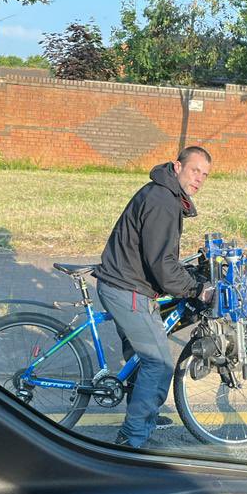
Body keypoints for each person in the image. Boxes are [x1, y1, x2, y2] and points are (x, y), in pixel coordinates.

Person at [94, 146, 214, 449]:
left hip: (125, 282)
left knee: (138, 359)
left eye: (205, 174)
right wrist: (196, 288)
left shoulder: (165, 194)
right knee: (158, 362)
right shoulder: (163, 200)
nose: (199, 178)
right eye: (194, 170)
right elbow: (162, 265)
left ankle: (142, 415)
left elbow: (160, 256)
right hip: (127, 288)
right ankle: (133, 436)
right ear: (177, 166)